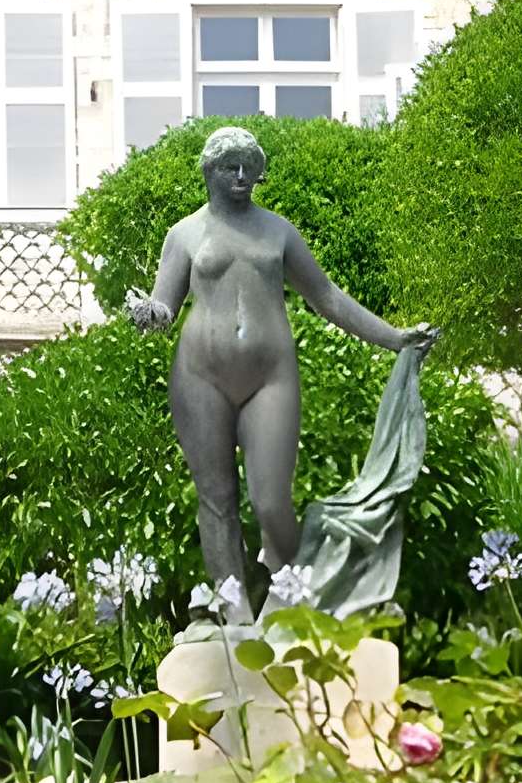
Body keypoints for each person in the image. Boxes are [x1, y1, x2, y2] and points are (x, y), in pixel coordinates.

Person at [125, 127, 434, 610]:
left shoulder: (278, 231)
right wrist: (149, 313)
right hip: (200, 377)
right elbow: (164, 307)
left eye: (250, 166)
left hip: (269, 376)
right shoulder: (184, 234)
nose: (243, 176)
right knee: (217, 498)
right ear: (209, 171)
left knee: (272, 503)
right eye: (231, 166)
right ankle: (236, 617)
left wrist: (395, 338)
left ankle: (291, 606)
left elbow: (326, 296)